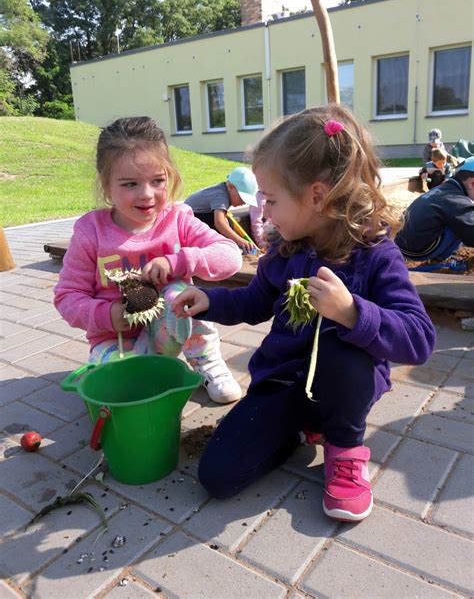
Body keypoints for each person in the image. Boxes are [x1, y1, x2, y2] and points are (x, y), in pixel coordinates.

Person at [172, 105, 436, 522]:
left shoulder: (375, 257)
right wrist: (210, 300)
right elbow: (256, 301)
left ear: (316, 195)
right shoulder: (285, 249)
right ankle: (298, 430)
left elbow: (420, 339)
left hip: (343, 391)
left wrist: (352, 312)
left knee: (338, 341)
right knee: (218, 476)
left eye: (271, 199)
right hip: (282, 384)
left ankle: (345, 450)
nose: (264, 210)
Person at [54, 116, 243, 404]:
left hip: (170, 329)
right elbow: (67, 297)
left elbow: (230, 257)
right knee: (124, 390)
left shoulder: (178, 219)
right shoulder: (91, 232)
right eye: (130, 183)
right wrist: (107, 316)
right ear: (106, 185)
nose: (147, 195)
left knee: (183, 294)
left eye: (158, 180)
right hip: (114, 338)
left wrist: (178, 261)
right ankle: (148, 371)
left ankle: (205, 359)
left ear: (170, 175)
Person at [395, 157, 474, 261]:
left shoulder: (445, 189)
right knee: (461, 222)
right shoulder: (456, 199)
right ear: (471, 183)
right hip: (417, 251)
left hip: (402, 244)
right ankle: (441, 258)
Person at [185, 167, 258, 253]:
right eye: (242, 198)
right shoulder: (220, 196)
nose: (244, 202)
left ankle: (228, 246)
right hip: (189, 220)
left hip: (197, 216)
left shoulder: (224, 191)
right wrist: (239, 240)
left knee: (227, 222)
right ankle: (220, 248)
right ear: (231, 187)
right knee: (220, 222)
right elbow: (219, 223)